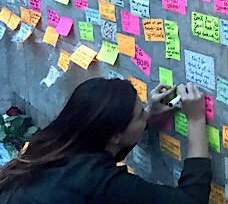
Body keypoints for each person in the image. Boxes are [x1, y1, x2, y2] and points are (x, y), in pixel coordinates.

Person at [0, 78, 211, 204]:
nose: (146, 115)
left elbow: (105, 151)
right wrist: (196, 120)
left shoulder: (53, 143)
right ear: (114, 135)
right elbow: (191, 201)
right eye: (140, 114)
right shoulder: (95, 181)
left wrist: (146, 115)